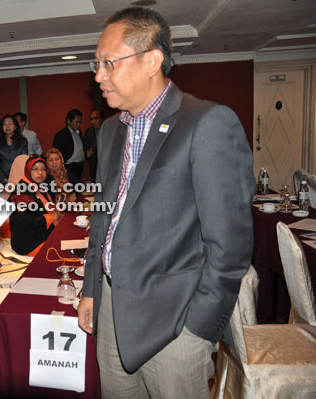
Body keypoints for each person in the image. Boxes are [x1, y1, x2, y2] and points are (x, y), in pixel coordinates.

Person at [77, 7, 254, 399]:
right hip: (112, 306)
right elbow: (104, 218)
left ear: (151, 61)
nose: (98, 75)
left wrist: (198, 329)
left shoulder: (207, 123)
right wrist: (92, 289)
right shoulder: (109, 130)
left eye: (109, 63)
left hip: (175, 324)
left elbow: (231, 247)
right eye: (96, 64)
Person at [9, 156, 61, 256]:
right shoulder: (21, 191)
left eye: (43, 169)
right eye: (35, 169)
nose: (40, 173)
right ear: (28, 170)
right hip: (29, 242)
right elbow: (20, 220)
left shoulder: (40, 185)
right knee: (63, 250)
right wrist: (49, 217)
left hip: (41, 233)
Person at [0, 114, 28, 183]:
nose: (7, 126)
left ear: (15, 126)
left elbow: (23, 161)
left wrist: (15, 178)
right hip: (1, 179)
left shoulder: (22, 141)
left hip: (18, 179)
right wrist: (4, 178)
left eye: (10, 124)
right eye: (4, 124)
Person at [52, 109, 85, 180]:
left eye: (80, 122)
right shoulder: (62, 135)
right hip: (69, 167)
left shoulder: (79, 132)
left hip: (79, 166)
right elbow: (57, 153)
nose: (79, 125)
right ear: (69, 121)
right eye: (76, 122)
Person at [84, 109, 104, 182]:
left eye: (95, 119)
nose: (93, 121)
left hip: (107, 167)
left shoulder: (109, 130)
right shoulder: (88, 133)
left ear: (102, 119)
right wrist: (87, 153)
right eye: (91, 119)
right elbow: (85, 148)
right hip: (94, 167)